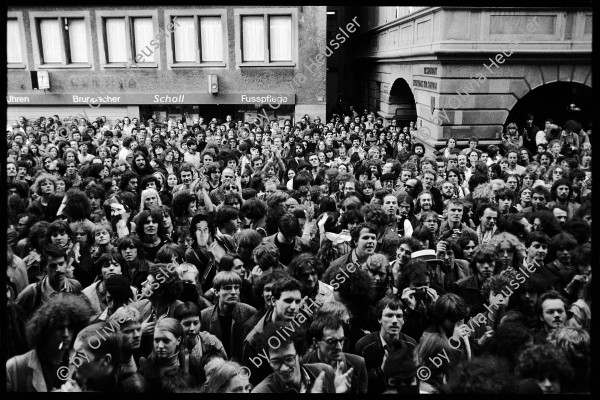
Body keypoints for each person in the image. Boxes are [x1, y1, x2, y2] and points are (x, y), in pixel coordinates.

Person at [6, 293, 93, 392]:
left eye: (70, 327)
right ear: (45, 330)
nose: (66, 334)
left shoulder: (82, 363)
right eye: (59, 328)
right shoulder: (16, 367)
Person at [251, 322, 340, 393]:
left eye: (289, 359)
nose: (284, 368)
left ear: (300, 355)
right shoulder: (262, 391)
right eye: (276, 362)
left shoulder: (325, 372)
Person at [354, 297, 417, 394]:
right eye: (389, 315)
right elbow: (359, 384)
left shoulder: (411, 345)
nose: (395, 320)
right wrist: (381, 370)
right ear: (379, 319)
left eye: (399, 316)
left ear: (403, 320)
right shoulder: (364, 346)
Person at [200, 271, 256, 362]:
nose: (233, 292)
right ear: (216, 292)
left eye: (236, 288)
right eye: (227, 288)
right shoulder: (204, 316)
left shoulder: (250, 312)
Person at [16, 244, 83, 317]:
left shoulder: (75, 286)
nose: (58, 269)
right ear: (45, 267)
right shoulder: (32, 292)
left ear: (66, 264)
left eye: (61, 264)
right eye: (53, 266)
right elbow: (14, 316)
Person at [304, 317, 368, 393]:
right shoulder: (304, 366)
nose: (339, 347)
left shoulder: (358, 363)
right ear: (315, 342)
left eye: (341, 340)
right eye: (331, 341)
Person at [138, 318, 193, 392]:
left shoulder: (191, 364)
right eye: (157, 340)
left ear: (178, 340)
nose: (160, 346)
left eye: (166, 341)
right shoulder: (145, 371)